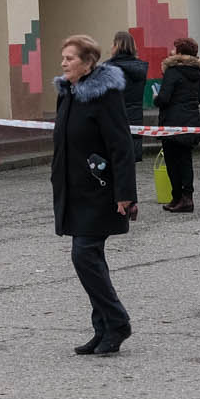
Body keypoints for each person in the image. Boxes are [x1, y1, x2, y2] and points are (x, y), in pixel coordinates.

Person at [50, 33, 137, 356]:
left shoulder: (104, 96)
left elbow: (121, 145)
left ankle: (117, 322)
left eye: (70, 58)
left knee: (84, 255)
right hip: (75, 190)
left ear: (88, 63)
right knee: (91, 258)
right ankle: (102, 327)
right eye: (63, 57)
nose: (63, 63)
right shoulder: (68, 94)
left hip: (100, 190)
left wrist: (125, 193)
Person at [153, 37, 200, 213]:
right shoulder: (196, 72)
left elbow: (164, 98)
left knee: (172, 161)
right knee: (185, 160)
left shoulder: (173, 71)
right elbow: (198, 99)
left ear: (179, 52)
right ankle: (187, 198)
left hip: (172, 123)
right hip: (190, 122)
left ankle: (177, 197)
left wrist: (156, 98)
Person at [108, 31, 149, 163]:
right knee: (129, 162)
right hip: (135, 117)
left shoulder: (108, 68)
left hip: (113, 119)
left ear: (116, 46)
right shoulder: (140, 68)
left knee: (114, 161)